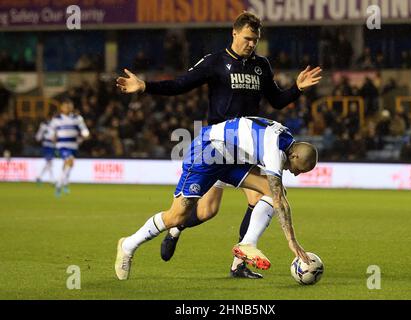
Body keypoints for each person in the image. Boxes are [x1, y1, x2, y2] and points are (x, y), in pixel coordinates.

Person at [116, 11, 322, 279]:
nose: (251, 44)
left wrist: (297, 88)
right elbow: (180, 85)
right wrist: (145, 87)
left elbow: (277, 101)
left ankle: (242, 257)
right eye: (247, 38)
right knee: (198, 212)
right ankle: (141, 240)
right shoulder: (215, 62)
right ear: (234, 33)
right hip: (214, 147)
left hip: (245, 148)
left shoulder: (261, 66)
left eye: (256, 40)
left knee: (267, 194)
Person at [115, 116, 318, 280]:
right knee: (176, 216)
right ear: (295, 157)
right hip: (207, 152)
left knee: (273, 192)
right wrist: (291, 241)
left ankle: (247, 244)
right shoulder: (275, 151)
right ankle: (128, 245)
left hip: (231, 157)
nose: (296, 174)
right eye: (299, 170)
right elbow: (280, 202)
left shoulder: (287, 138)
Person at [49, 99, 90, 197]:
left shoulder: (77, 118)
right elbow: (51, 132)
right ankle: (59, 185)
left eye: (69, 106)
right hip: (62, 146)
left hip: (73, 146)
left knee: (68, 165)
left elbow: (84, 129)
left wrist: (86, 134)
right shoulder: (56, 119)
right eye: (65, 106)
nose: (67, 108)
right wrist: (52, 138)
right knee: (69, 161)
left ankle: (64, 183)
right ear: (62, 108)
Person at [35, 114, 56, 184]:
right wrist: (38, 137)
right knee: (49, 162)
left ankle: (39, 177)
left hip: (52, 146)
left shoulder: (55, 125)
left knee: (49, 162)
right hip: (47, 145)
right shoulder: (44, 125)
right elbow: (39, 135)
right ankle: (51, 179)